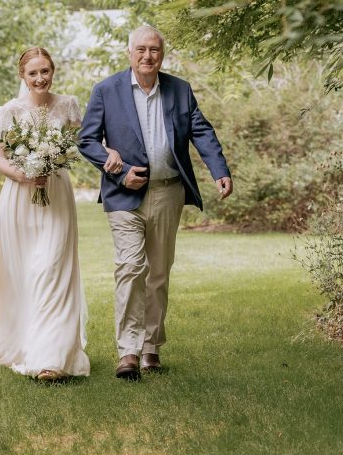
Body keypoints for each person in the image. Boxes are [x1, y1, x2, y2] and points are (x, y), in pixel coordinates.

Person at [79, 25, 232, 380]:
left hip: (168, 191)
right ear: (129, 53)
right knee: (131, 268)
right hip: (124, 194)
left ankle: (150, 348)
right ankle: (127, 351)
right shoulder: (106, 90)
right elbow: (87, 141)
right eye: (141, 50)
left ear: (162, 54)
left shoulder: (179, 89)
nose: (148, 56)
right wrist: (115, 170)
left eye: (155, 50)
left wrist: (218, 169)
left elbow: (201, 130)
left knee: (158, 272)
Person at [0, 47, 90, 382]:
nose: (40, 79)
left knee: (51, 268)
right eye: (33, 73)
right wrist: (25, 174)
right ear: (22, 76)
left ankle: (52, 358)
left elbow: (79, 143)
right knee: (25, 271)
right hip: (20, 198)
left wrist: (55, 159)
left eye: (45, 71)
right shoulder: (9, 111)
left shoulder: (68, 105)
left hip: (56, 194)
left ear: (53, 71)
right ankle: (26, 343)